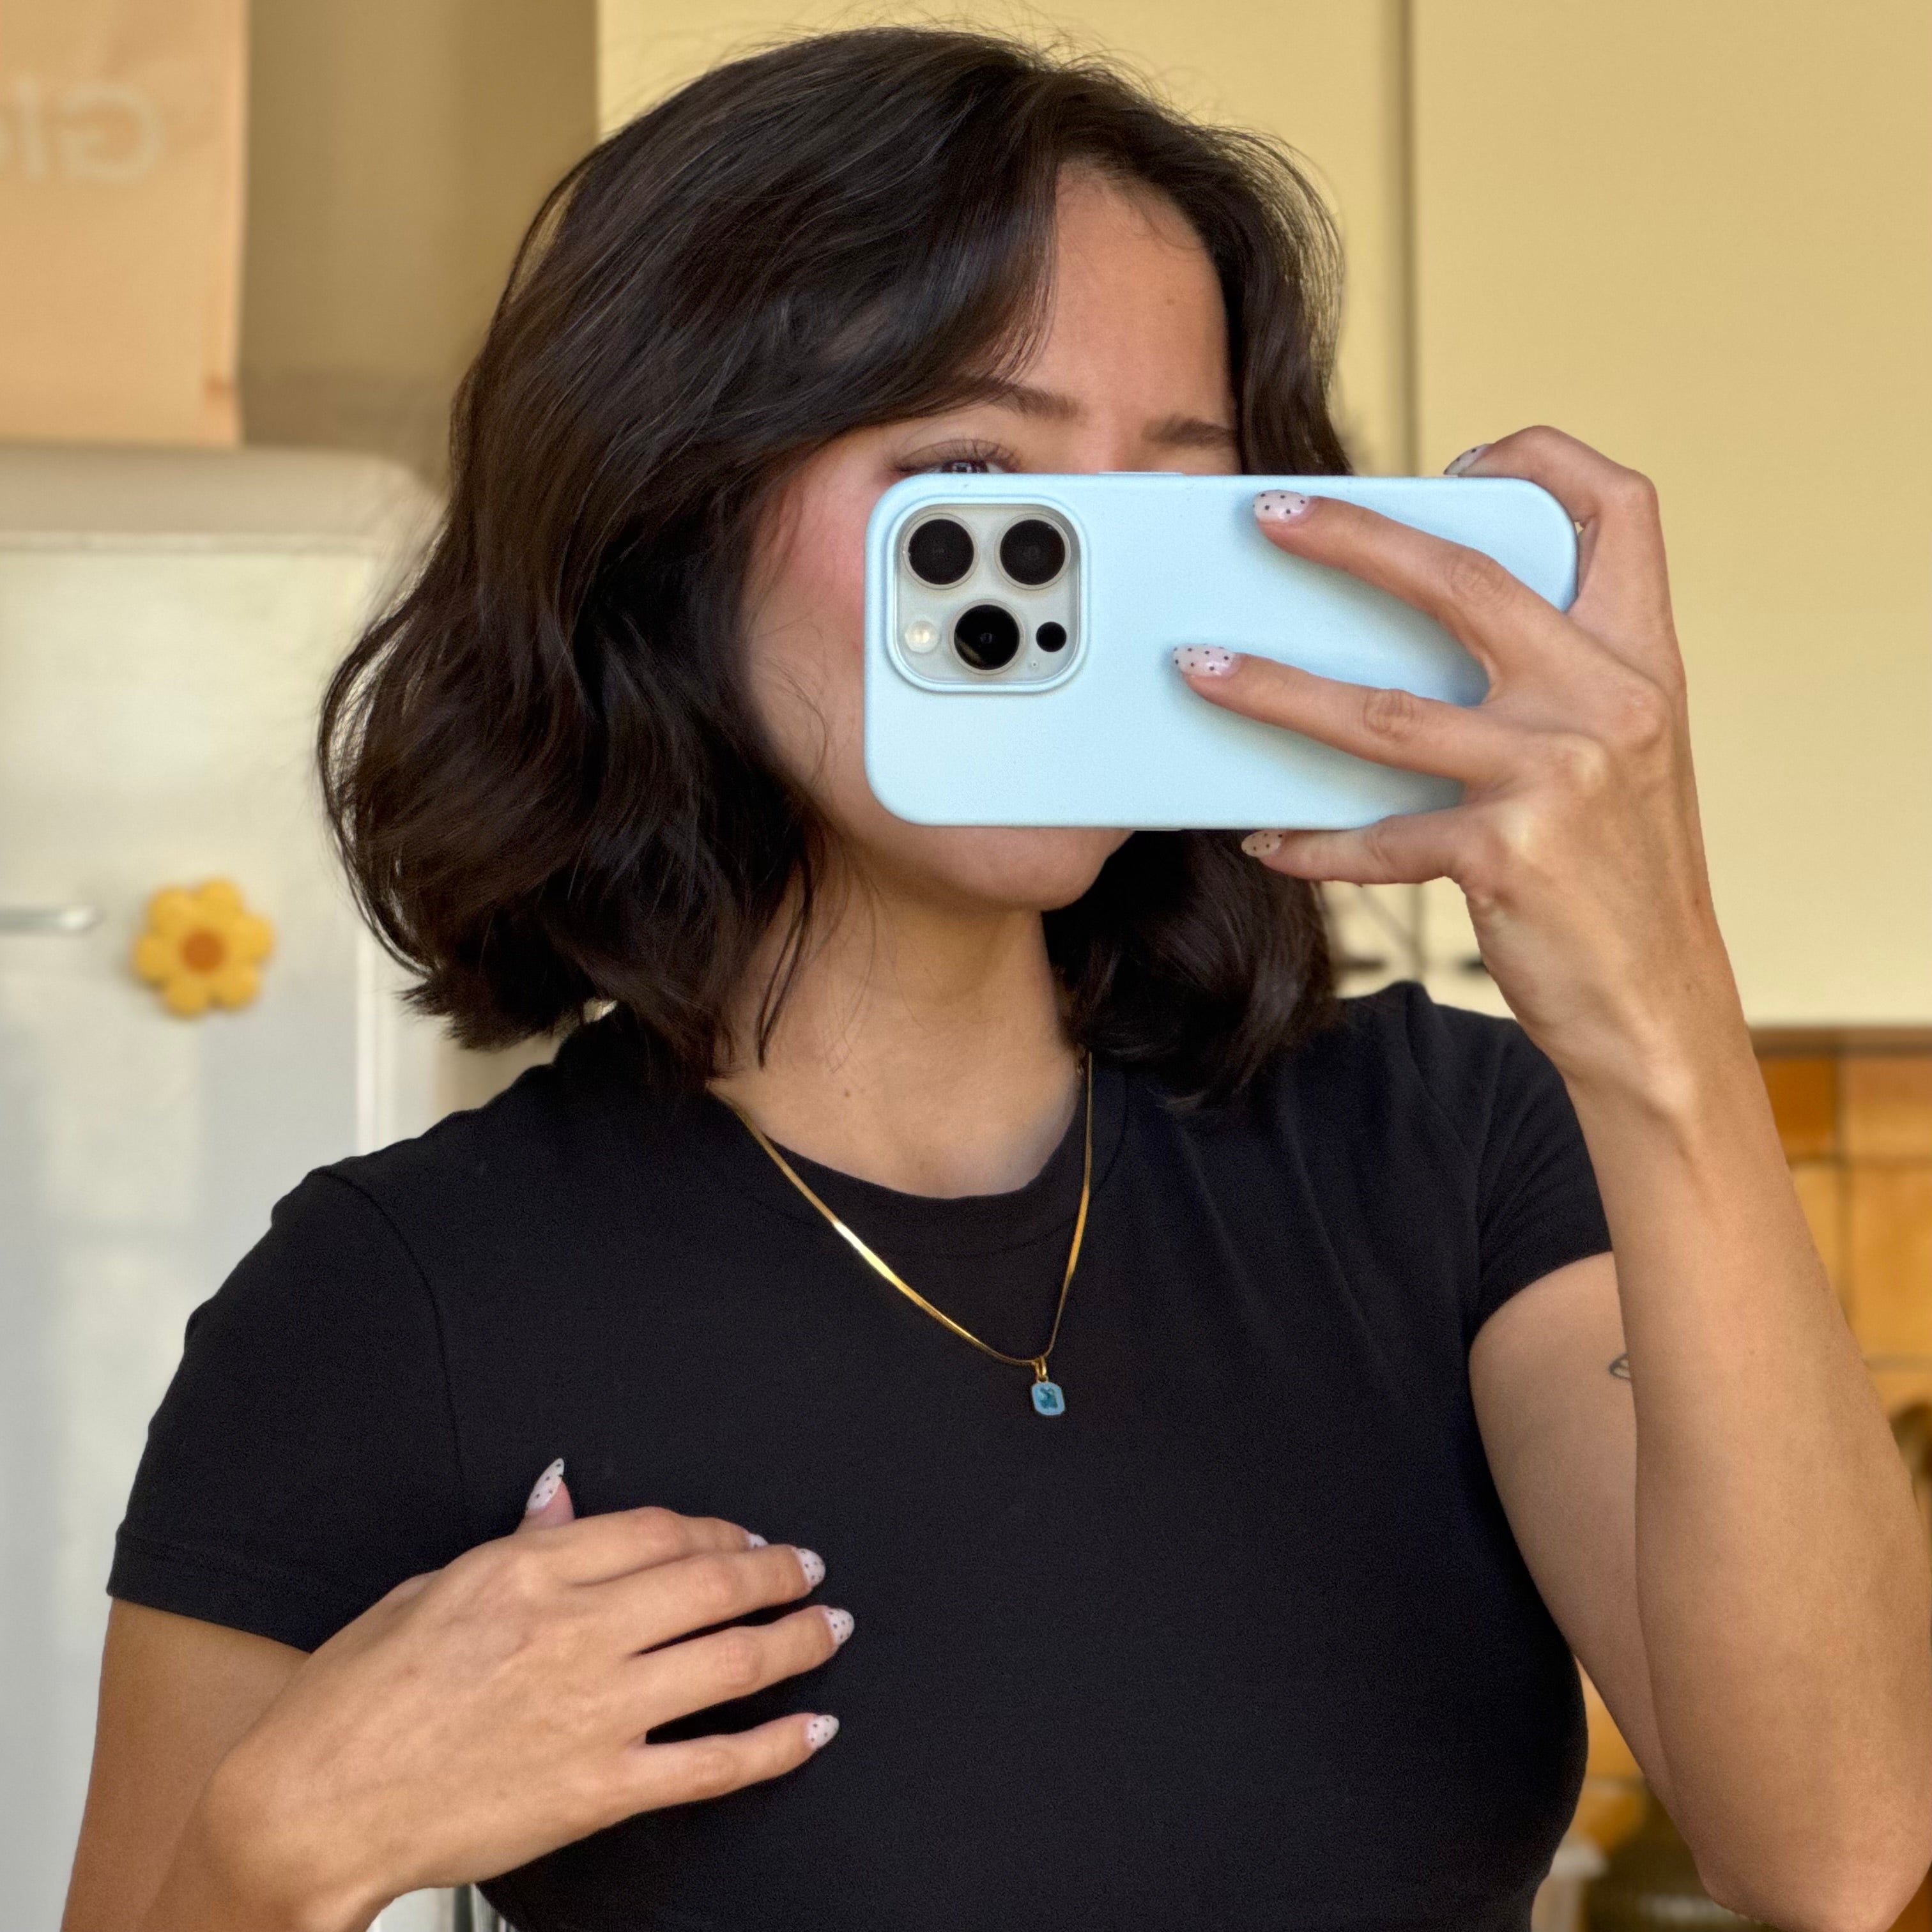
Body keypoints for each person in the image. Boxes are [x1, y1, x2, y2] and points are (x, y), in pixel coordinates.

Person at [62, 26, 1931, 1932]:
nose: (1086, 601)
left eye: (1173, 500)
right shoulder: (394, 1299)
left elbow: (1840, 1848)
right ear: (675, 511)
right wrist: (276, 1852)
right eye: (974, 481)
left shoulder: (1444, 1154)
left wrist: (1656, 999)